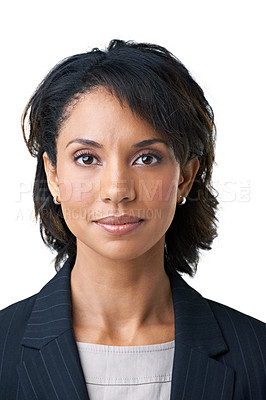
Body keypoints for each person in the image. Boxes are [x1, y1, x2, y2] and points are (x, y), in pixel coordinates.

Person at [0, 39, 265, 400]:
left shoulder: (258, 355)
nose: (117, 190)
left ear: (185, 177)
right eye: (87, 158)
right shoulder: (4, 346)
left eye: (147, 158)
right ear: (53, 175)